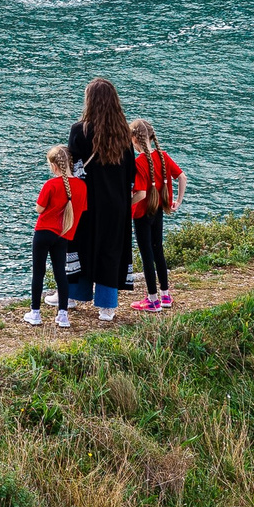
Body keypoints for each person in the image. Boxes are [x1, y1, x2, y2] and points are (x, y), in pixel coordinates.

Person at [66, 77, 138, 323]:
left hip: (87, 204)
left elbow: (73, 168)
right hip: (116, 204)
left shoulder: (80, 130)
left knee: (81, 245)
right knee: (110, 250)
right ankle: (107, 307)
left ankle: (74, 296)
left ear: (90, 101)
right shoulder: (123, 135)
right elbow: (131, 174)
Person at [27, 143, 85, 327]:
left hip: (43, 233)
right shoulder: (82, 187)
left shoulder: (51, 185)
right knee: (61, 272)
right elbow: (81, 209)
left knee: (39, 272)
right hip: (63, 236)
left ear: (53, 166)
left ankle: (35, 313)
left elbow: (40, 209)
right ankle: (63, 316)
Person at [130, 119, 184, 312]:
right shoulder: (163, 156)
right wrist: (177, 201)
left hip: (141, 213)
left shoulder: (138, 163)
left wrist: (123, 208)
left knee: (146, 255)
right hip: (158, 209)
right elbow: (181, 177)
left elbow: (140, 194)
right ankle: (165, 295)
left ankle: (152, 300)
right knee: (158, 251)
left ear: (135, 139)